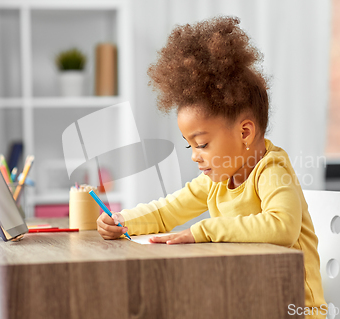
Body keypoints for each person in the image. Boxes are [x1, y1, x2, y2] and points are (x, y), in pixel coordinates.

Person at [96, 16, 327, 318]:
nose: (194, 155)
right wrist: (124, 221)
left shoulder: (272, 171)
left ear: (245, 133)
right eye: (189, 145)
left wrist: (201, 231)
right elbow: (168, 211)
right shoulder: (217, 180)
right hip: (246, 300)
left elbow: (281, 227)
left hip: (295, 308)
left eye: (202, 144)